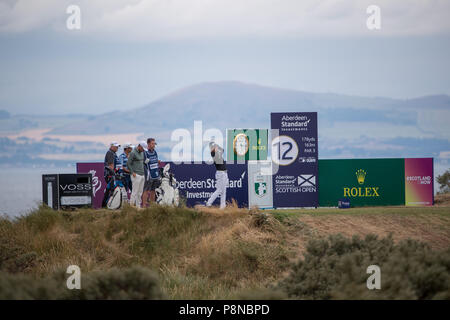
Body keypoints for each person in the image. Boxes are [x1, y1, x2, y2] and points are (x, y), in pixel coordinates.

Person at [206, 142, 228, 209]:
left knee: (223, 191)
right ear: (211, 148)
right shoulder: (213, 153)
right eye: (213, 146)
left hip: (224, 173)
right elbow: (216, 151)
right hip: (220, 173)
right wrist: (215, 147)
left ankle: (222, 207)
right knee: (219, 190)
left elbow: (223, 150)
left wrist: (217, 145)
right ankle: (209, 203)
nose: (215, 147)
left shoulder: (218, 152)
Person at [142, 138, 161, 207]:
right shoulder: (145, 152)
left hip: (155, 174)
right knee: (146, 190)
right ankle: (144, 205)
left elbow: (155, 160)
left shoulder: (155, 151)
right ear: (149, 144)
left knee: (153, 191)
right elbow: (143, 162)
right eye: (152, 143)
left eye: (154, 143)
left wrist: (157, 161)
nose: (154, 145)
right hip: (148, 175)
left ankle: (152, 206)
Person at [127, 141, 146, 208]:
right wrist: (132, 172)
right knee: (134, 192)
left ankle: (138, 206)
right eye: (143, 148)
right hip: (136, 175)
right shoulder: (133, 153)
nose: (143, 150)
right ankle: (131, 207)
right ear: (140, 146)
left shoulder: (142, 152)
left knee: (140, 192)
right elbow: (128, 163)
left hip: (142, 174)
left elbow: (141, 162)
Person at [102, 141, 120, 207]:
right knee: (110, 190)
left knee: (110, 190)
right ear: (112, 146)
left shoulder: (113, 153)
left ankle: (105, 205)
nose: (117, 148)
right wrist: (114, 174)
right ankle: (105, 205)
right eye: (116, 147)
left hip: (112, 174)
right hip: (110, 175)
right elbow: (111, 165)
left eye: (118, 147)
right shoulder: (110, 153)